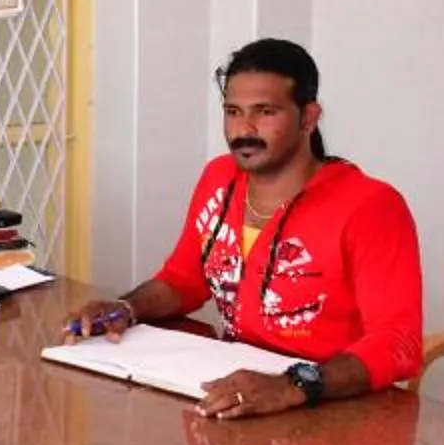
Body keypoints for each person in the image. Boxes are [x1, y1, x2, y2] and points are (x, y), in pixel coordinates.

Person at [63, 39, 423, 421]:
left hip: (333, 411)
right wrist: (125, 308)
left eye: (265, 112)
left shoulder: (370, 206)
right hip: (237, 399)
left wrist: (293, 385)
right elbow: (183, 280)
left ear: (309, 117)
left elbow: (398, 343)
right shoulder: (219, 179)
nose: (244, 129)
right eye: (233, 112)